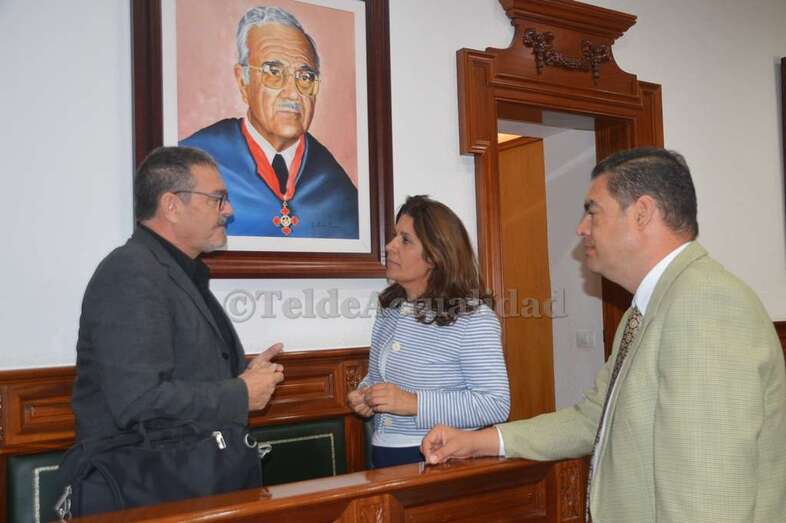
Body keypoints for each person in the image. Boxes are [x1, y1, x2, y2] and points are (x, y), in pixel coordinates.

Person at [421, 148, 786, 522]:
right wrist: (476, 441)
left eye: (592, 210)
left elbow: (708, 499)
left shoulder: (703, 305)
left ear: (642, 213)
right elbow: (593, 417)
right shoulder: (648, 309)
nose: (581, 227)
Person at [57, 146, 285, 516]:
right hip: (143, 491)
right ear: (171, 205)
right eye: (218, 199)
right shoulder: (130, 273)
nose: (228, 211)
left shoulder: (175, 273)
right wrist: (239, 393)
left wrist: (244, 377)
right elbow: (137, 400)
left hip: (181, 486)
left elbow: (182, 374)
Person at [347, 195, 510, 468]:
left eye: (405, 239)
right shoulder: (390, 310)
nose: (390, 246)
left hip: (442, 459)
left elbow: (495, 404)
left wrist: (414, 403)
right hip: (384, 455)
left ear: (435, 255)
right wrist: (364, 395)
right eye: (394, 236)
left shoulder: (474, 318)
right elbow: (377, 377)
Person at [181, 6, 358, 239]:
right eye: (273, 72)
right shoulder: (194, 158)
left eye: (305, 77)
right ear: (243, 81)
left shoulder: (335, 185)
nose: (293, 94)